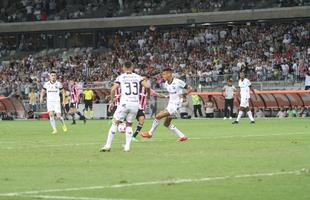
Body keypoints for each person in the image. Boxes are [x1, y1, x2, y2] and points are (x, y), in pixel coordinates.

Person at [100, 61, 150, 152]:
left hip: (124, 103)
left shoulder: (121, 77)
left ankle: (108, 145)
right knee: (129, 125)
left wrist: (111, 101)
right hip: (135, 104)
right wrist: (148, 97)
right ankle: (127, 146)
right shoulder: (138, 77)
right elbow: (147, 86)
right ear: (132, 67)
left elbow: (113, 89)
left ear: (123, 68)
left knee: (115, 122)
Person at [141, 68, 192, 141]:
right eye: (162, 74)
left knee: (158, 116)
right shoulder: (166, 84)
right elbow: (172, 93)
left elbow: (190, 88)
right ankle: (183, 136)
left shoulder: (178, 82)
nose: (163, 76)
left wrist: (184, 94)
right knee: (166, 124)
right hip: (170, 105)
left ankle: (150, 133)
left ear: (169, 74)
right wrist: (167, 96)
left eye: (164, 74)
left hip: (176, 106)